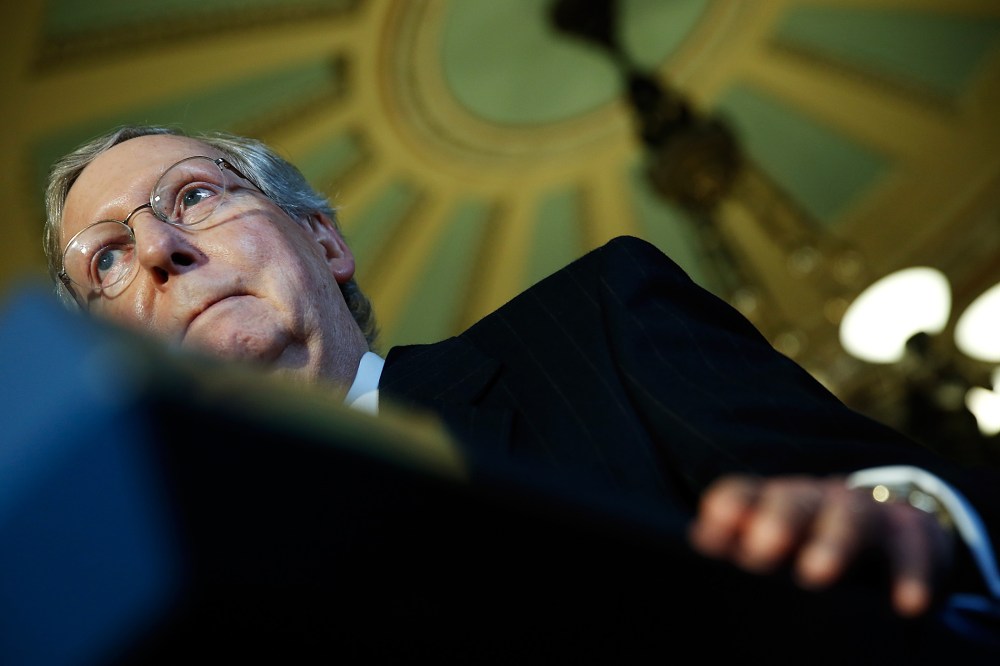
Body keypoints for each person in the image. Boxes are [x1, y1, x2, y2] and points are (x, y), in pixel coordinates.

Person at [42, 125, 1000, 656]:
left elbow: (886, 492)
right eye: (109, 261)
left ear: (326, 243)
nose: (161, 250)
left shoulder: (593, 330)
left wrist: (916, 515)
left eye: (195, 195)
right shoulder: (151, 606)